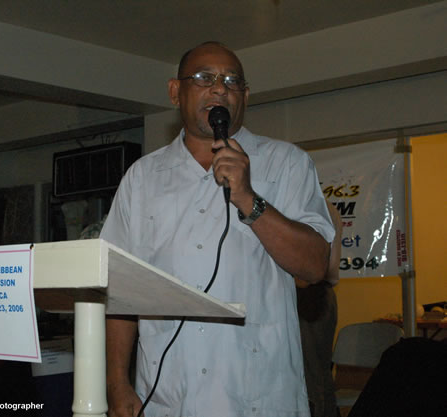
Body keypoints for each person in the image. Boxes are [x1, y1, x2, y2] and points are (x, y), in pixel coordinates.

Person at [100, 41, 335, 417]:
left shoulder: (286, 163)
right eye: (204, 78)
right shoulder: (142, 178)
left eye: (231, 81)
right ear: (176, 91)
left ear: (244, 96)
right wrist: (117, 384)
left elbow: (314, 266)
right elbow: (118, 287)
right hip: (168, 397)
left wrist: (248, 198)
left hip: (260, 395)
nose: (220, 88)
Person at [295, 203, 342, 417]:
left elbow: (323, 267)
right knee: (317, 372)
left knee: (312, 374)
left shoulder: (315, 205)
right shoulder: (322, 205)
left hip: (310, 293)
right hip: (315, 293)